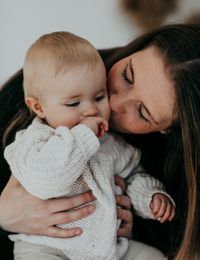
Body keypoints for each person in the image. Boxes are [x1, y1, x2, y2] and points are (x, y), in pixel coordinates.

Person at [0, 23, 199, 260]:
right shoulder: (52, 85)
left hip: (106, 246)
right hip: (45, 247)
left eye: (143, 113)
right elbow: (46, 177)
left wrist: (149, 199)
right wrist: (4, 215)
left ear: (167, 130)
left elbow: (135, 175)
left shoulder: (114, 145)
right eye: (127, 76)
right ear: (39, 106)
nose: (111, 105)